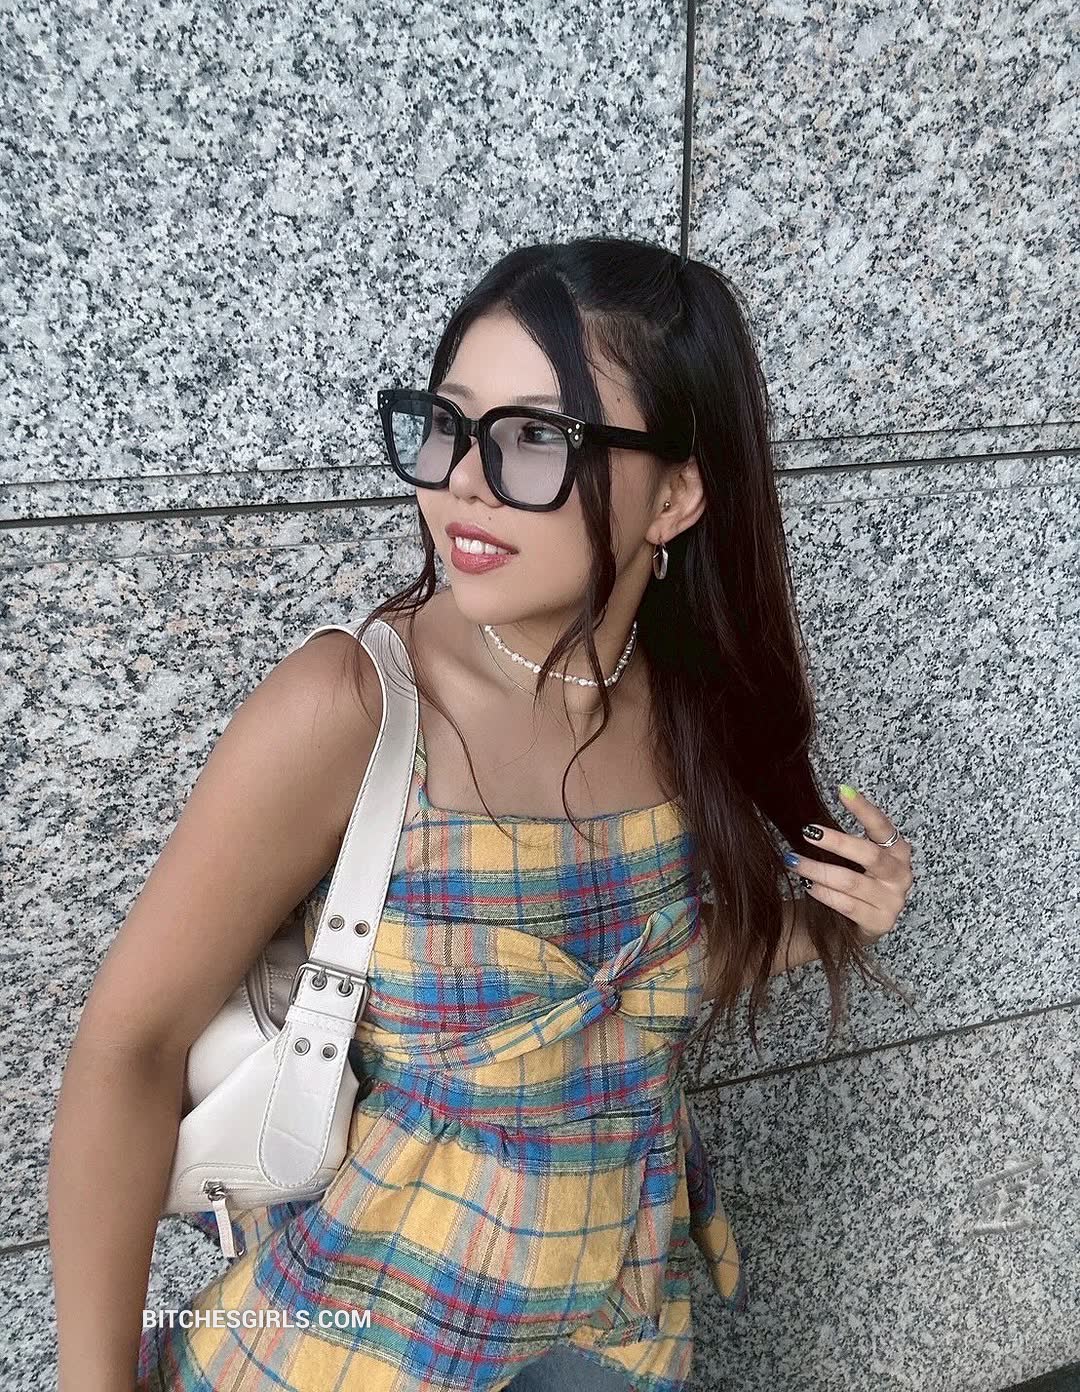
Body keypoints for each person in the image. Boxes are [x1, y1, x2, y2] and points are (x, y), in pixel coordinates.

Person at [49, 236, 914, 1391]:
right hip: (359, 1345)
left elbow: (620, 994)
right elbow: (127, 1049)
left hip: (617, 1325)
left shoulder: (689, 705)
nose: (461, 478)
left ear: (675, 495)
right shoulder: (353, 707)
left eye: (534, 439)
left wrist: (830, 920)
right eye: (449, 424)